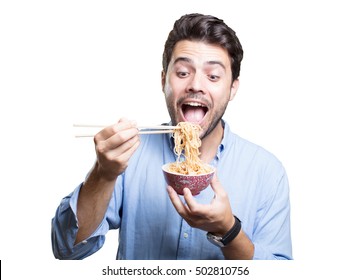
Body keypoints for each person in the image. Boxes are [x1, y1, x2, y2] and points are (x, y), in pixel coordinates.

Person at [51, 13, 292, 260]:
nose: (196, 85)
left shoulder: (266, 172)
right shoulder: (131, 153)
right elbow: (67, 248)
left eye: (213, 76)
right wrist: (104, 173)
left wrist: (229, 231)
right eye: (183, 72)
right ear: (164, 80)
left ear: (232, 89)